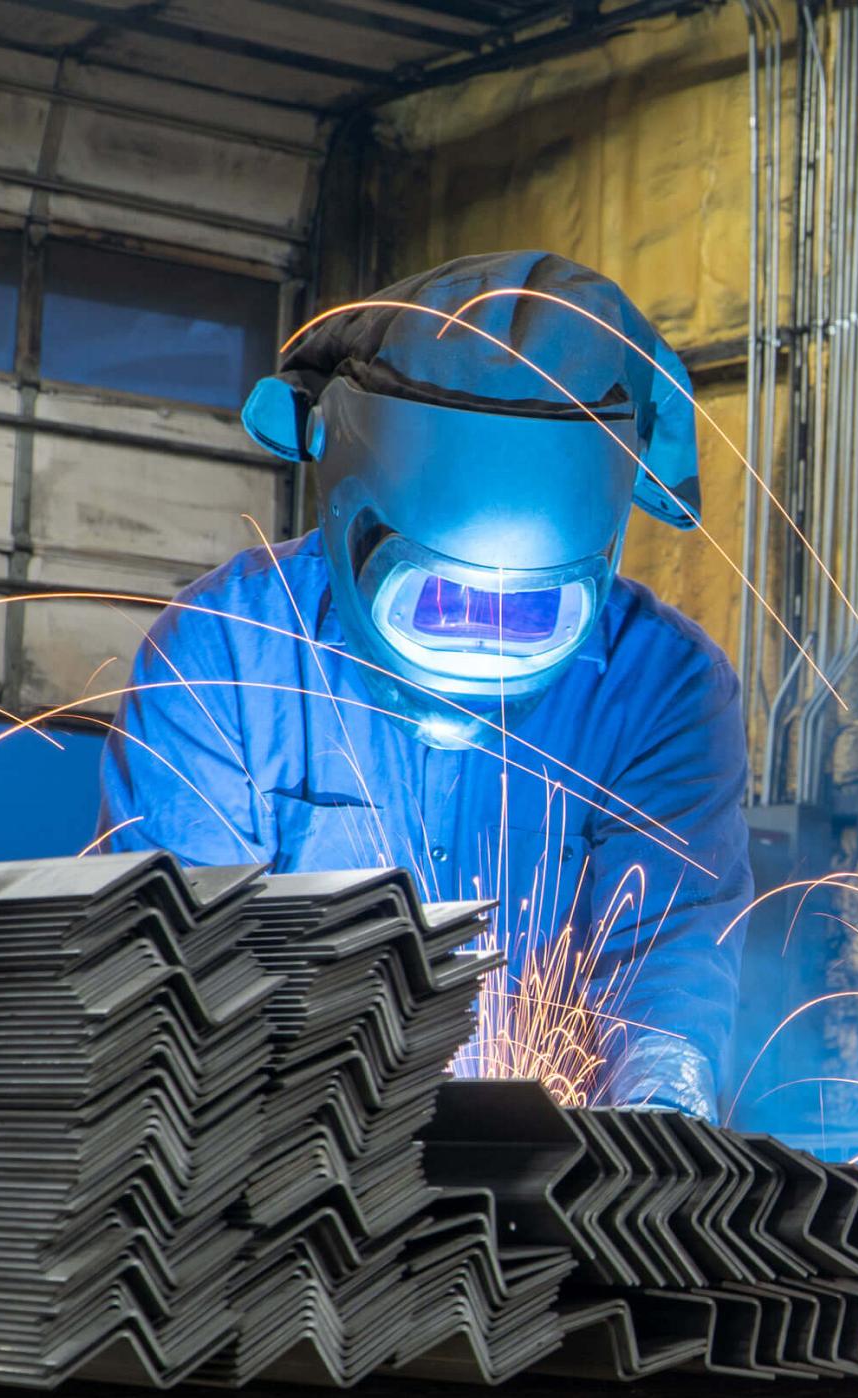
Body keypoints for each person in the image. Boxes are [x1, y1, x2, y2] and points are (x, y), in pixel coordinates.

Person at [97, 251, 750, 1116]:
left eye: (531, 611)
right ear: (350, 509)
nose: (480, 637)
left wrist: (659, 1126)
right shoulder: (224, 653)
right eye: (439, 598)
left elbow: (672, 956)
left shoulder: (665, 688)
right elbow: (176, 972)